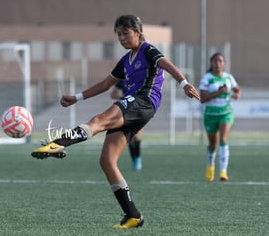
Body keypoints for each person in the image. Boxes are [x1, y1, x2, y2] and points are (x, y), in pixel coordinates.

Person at [31, 14, 200, 229]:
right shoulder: (126, 60)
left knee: (99, 120)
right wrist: (77, 97)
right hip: (137, 108)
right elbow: (105, 84)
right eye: (118, 34)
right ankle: (133, 215)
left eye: (125, 33)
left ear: (138, 32)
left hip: (142, 101)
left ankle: (59, 143)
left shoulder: (147, 49)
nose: (121, 38)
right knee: (107, 160)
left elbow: (166, 63)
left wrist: (184, 83)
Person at [199, 52, 241, 182]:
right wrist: (219, 92)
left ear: (224, 64)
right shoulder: (207, 78)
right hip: (210, 115)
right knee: (213, 144)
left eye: (220, 61)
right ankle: (210, 166)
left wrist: (237, 95)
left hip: (226, 112)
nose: (218, 63)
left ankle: (223, 171)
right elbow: (203, 99)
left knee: (223, 138)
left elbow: (237, 90)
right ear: (211, 64)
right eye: (215, 61)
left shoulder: (229, 77)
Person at [110, 80, 143, 171]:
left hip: (140, 108)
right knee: (131, 136)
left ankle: (138, 158)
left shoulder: (141, 77)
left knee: (137, 135)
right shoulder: (122, 80)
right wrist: (124, 97)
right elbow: (113, 94)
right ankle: (135, 161)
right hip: (127, 110)